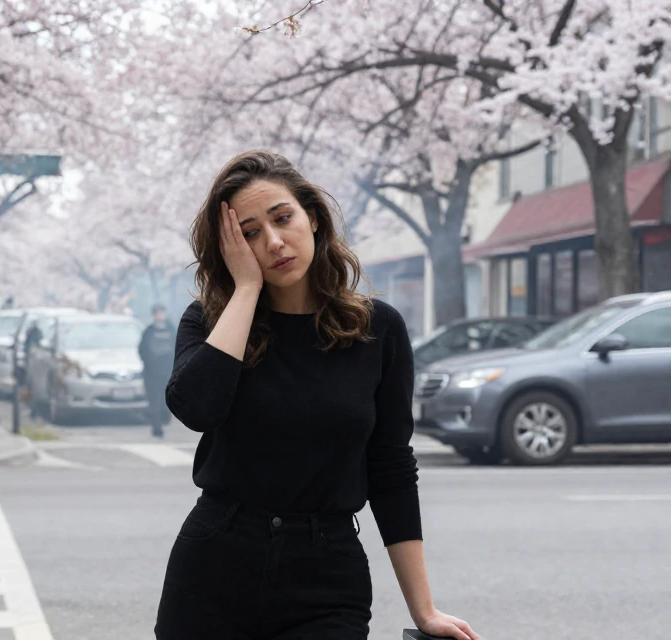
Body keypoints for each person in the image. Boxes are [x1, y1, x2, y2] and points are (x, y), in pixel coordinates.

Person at [154, 152, 479, 640]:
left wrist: (424, 609)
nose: (274, 242)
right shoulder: (209, 323)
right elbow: (196, 408)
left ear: (313, 216)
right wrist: (245, 289)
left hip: (326, 576)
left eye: (282, 218)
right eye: (249, 234)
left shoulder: (377, 329)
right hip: (215, 567)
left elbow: (390, 468)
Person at [139, 303, 176, 438]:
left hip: (167, 371)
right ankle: (157, 427)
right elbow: (142, 350)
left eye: (162, 313)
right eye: (158, 313)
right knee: (154, 401)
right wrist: (150, 365)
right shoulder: (148, 331)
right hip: (152, 373)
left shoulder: (171, 330)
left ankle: (163, 420)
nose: (160, 316)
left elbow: (177, 347)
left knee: (165, 400)